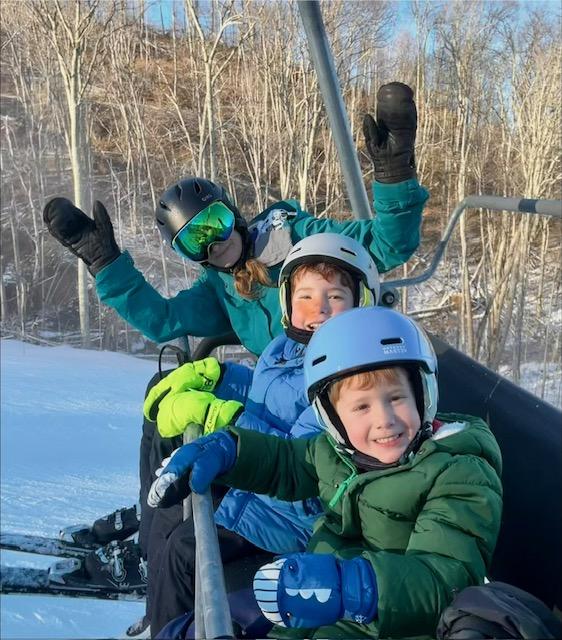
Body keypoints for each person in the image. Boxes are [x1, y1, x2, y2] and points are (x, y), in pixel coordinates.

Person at [43, 83, 428, 553]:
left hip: (317, 402)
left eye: (215, 223)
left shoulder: (293, 239)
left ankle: (169, 526)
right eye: (194, 241)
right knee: (161, 391)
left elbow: (388, 246)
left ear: (233, 212)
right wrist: (106, 262)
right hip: (279, 391)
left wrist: (393, 173)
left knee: (202, 415)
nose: (213, 243)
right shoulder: (219, 286)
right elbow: (164, 320)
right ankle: (156, 510)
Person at [149, 306, 503, 639]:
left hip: (386, 622)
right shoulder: (343, 451)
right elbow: (287, 462)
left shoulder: (458, 472)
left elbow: (445, 579)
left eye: (396, 398)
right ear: (332, 419)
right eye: (361, 406)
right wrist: (228, 452)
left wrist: (351, 587)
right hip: (322, 607)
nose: (385, 420)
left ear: (422, 396)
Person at [142, 233, 381, 637]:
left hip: (289, 516)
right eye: (305, 297)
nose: (318, 309)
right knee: (178, 500)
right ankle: (152, 573)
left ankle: (165, 625)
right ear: (287, 303)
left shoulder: (350, 374)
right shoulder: (284, 348)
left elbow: (298, 457)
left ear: (362, 303)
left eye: (335, 298)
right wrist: (219, 376)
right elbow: (268, 395)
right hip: (259, 491)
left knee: (186, 549)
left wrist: (222, 417)